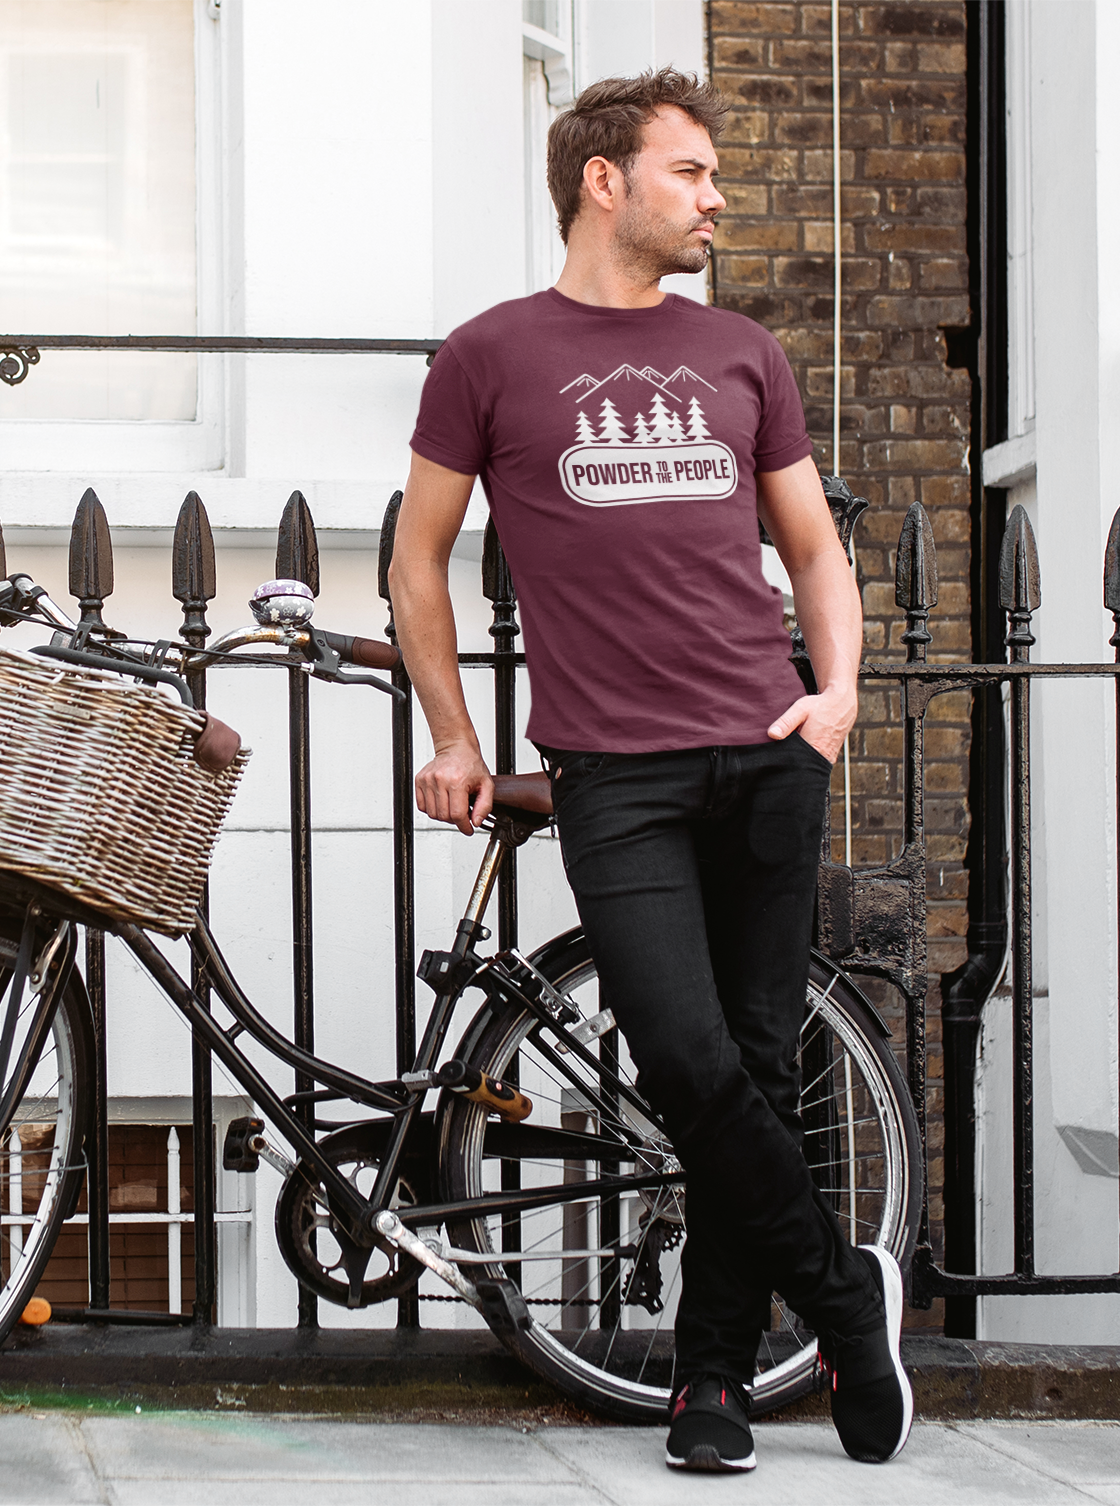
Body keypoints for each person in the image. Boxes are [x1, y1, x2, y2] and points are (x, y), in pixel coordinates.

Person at [387, 68, 913, 1473]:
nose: (717, 196)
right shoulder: (489, 355)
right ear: (601, 180)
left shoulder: (740, 353)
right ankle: (849, 1306)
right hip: (612, 775)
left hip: (762, 751)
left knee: (745, 1058)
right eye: (691, 170)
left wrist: (834, 696)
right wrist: (453, 732)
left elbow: (811, 548)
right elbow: (414, 564)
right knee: (683, 1058)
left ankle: (709, 1385)